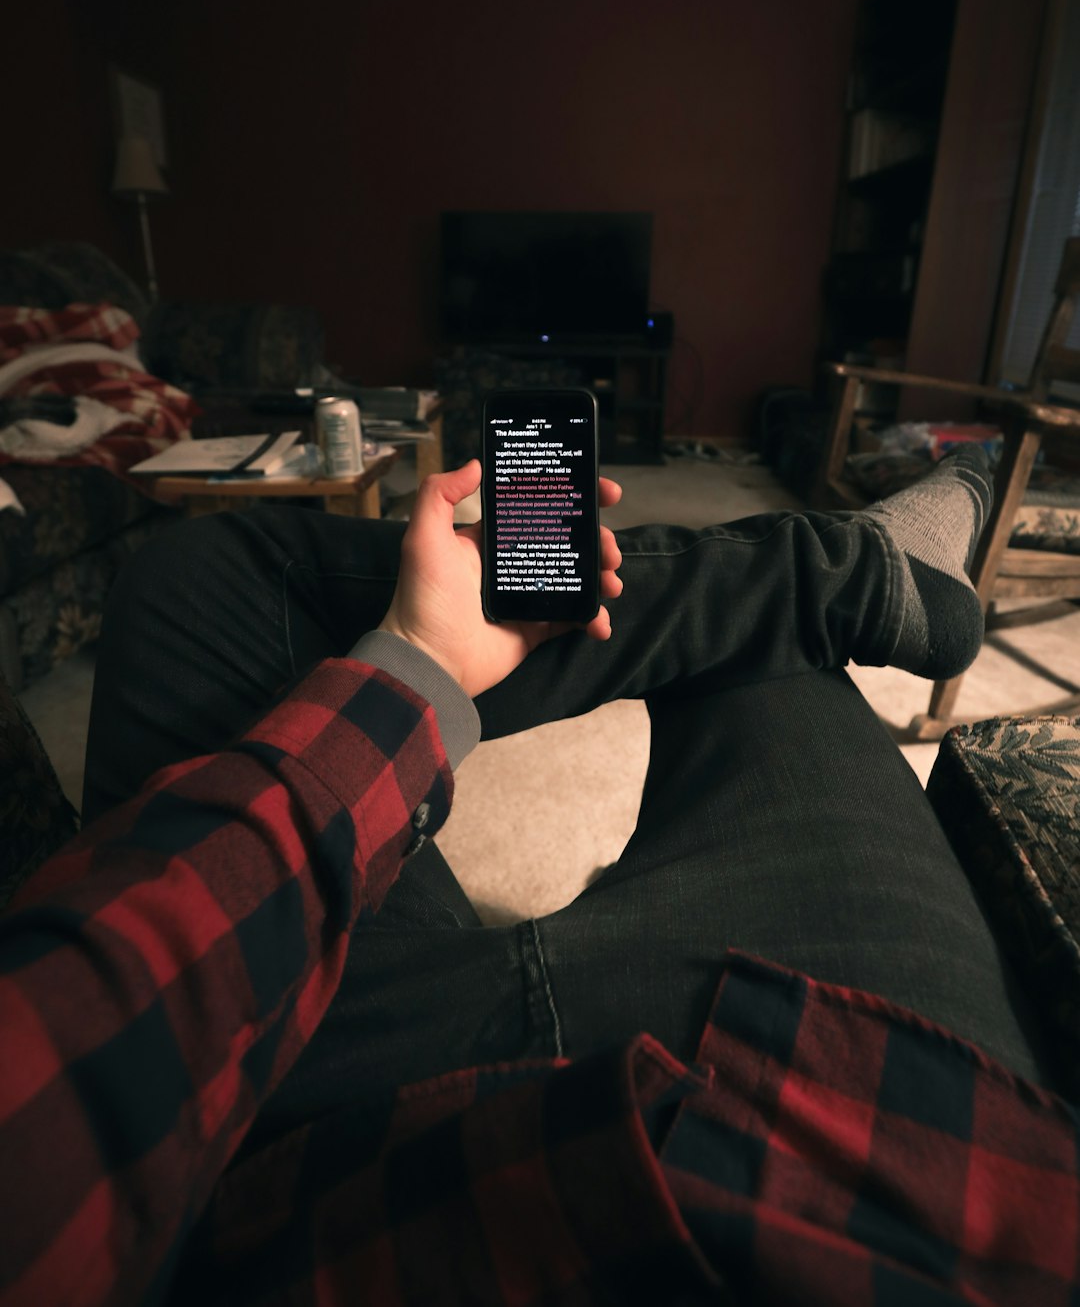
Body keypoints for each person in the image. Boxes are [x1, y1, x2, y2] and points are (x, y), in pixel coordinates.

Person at [0, 451, 1075, 1306]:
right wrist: (413, 668)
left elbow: (90, 1073)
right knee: (768, 662)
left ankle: (833, 574)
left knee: (199, 580)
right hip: (824, 1149)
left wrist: (420, 662)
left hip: (281, 1167)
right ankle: (837, 573)